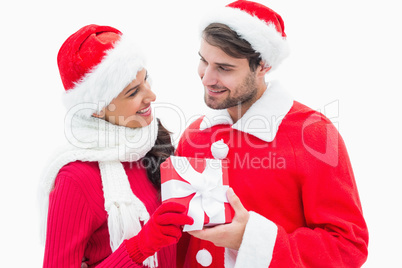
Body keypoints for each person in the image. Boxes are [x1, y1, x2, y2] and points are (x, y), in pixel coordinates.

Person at [175, 1, 369, 267]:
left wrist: (251, 240)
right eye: (203, 60)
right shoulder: (193, 135)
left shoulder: (313, 134)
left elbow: (348, 246)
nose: (206, 77)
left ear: (263, 66)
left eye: (224, 67)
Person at [39, 24, 193, 268]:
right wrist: (141, 246)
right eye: (133, 92)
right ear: (98, 110)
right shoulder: (75, 178)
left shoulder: (152, 144)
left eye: (146, 80)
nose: (151, 96)